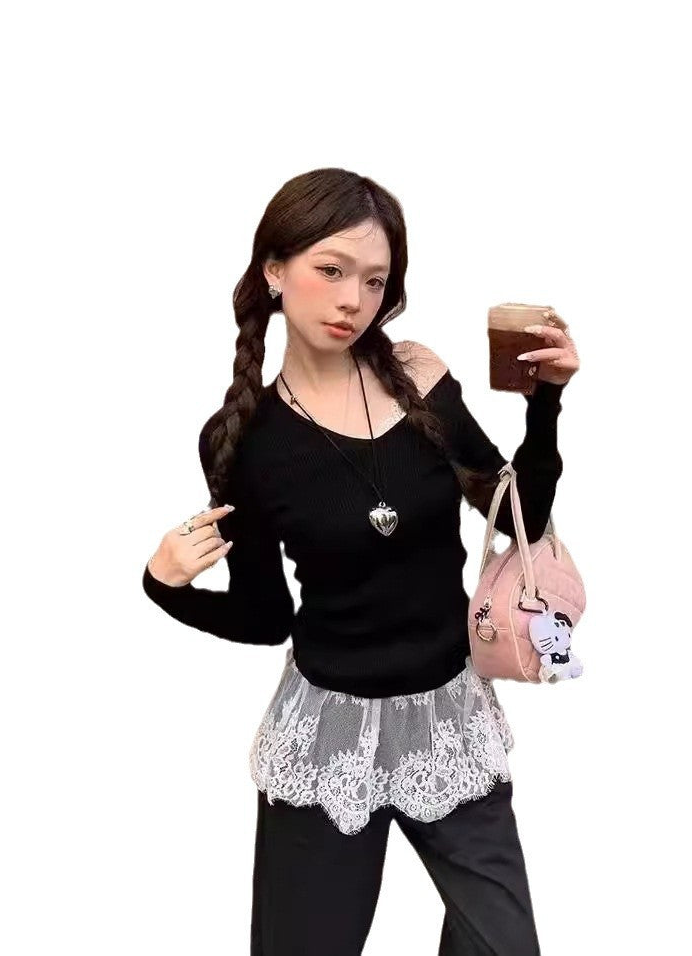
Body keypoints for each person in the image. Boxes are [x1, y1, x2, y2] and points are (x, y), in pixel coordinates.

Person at [142, 167, 578, 955]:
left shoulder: (419, 379)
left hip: (448, 723)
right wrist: (165, 586)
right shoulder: (243, 440)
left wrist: (544, 403)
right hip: (329, 741)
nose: (353, 299)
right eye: (332, 269)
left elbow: (524, 518)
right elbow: (265, 617)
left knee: (505, 947)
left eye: (374, 280)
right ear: (275, 270)